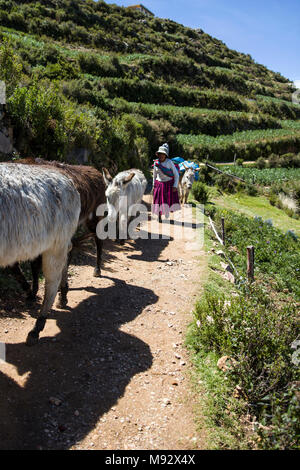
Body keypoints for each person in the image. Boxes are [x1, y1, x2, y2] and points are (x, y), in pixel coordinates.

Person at [152, 143, 181, 222]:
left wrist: (175, 186)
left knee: (168, 201)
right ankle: (159, 215)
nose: (161, 156)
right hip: (159, 184)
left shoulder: (169, 162)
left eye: (163, 154)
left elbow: (176, 175)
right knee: (158, 201)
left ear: (165, 155)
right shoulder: (156, 163)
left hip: (168, 184)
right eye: (160, 154)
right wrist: (153, 185)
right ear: (158, 154)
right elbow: (154, 175)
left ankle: (168, 215)